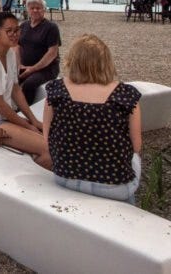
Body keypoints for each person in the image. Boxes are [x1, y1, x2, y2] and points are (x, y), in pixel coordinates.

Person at [43, 35, 142, 203]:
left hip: (66, 176)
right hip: (114, 184)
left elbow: (47, 136)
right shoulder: (125, 95)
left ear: (73, 61)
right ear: (106, 62)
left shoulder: (56, 90)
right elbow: (136, 145)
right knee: (135, 160)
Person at [0, 12, 51, 169]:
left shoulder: (10, 53)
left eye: (17, 30)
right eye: (9, 31)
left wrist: (33, 120)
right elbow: (0, 105)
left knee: (50, 136)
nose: (14, 34)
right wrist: (28, 126)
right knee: (48, 148)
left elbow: (15, 89)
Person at [18, 0, 61, 105]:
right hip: (25, 65)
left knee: (29, 84)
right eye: (32, 8)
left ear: (44, 10)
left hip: (46, 68)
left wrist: (32, 69)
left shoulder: (51, 27)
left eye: (38, 8)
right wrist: (18, 64)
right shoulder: (23, 26)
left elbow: (52, 53)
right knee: (7, 78)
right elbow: (17, 47)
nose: (35, 10)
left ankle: (26, 111)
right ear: (27, 10)